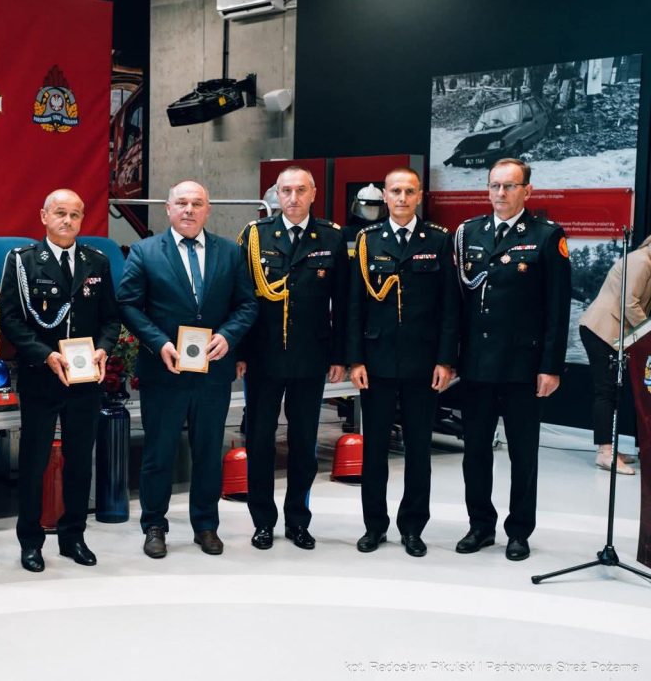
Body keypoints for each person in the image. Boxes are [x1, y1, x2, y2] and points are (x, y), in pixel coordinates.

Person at [117, 180, 257, 558]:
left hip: (213, 372)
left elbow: (247, 304)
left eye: (197, 203)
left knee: (208, 452)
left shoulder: (230, 253)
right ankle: (154, 526)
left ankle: (206, 525)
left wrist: (228, 335)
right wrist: (159, 342)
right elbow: (128, 304)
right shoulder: (146, 252)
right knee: (159, 453)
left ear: (208, 210)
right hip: (165, 371)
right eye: (181, 203)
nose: (189, 210)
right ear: (168, 208)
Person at [454, 158, 571, 561]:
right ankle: (480, 526)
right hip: (477, 365)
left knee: (523, 453)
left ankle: (519, 531)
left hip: (523, 366)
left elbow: (557, 308)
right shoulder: (469, 233)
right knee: (475, 451)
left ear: (527, 191)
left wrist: (550, 366)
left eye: (509, 186)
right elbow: (459, 304)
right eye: (494, 186)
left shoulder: (546, 236)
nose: (500, 193)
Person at [0, 189, 120, 572]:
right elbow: (10, 318)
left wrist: (103, 349)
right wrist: (44, 355)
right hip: (41, 375)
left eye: (75, 214)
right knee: (33, 463)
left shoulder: (96, 261)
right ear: (44, 216)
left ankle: (73, 537)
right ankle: (30, 541)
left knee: (80, 462)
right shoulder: (23, 261)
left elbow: (111, 318)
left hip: (84, 379)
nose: (68, 221)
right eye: (60, 213)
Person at [347, 168, 459, 557]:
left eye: (409, 191)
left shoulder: (438, 240)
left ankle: (413, 527)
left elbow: (450, 306)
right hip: (376, 362)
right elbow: (354, 305)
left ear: (420, 195)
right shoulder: (367, 240)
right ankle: (374, 526)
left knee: (418, 450)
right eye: (395, 191)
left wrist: (445, 359)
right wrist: (355, 360)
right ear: (384, 195)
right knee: (374, 450)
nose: (402, 198)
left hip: (422, 363)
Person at [236, 166, 348, 551]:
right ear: (276, 194)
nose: (293, 198)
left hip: (310, 357)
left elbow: (343, 303)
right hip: (262, 358)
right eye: (286, 190)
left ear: (314, 193)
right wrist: (240, 353)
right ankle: (262, 521)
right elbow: (242, 299)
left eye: (301, 190)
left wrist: (340, 355)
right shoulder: (255, 236)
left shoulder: (331, 237)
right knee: (259, 441)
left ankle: (298, 520)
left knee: (303, 444)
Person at [578, 237, 651, 475]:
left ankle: (611, 448)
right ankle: (604, 453)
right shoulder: (641, 261)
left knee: (615, 392)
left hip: (617, 333)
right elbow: (629, 303)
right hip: (601, 329)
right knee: (606, 391)